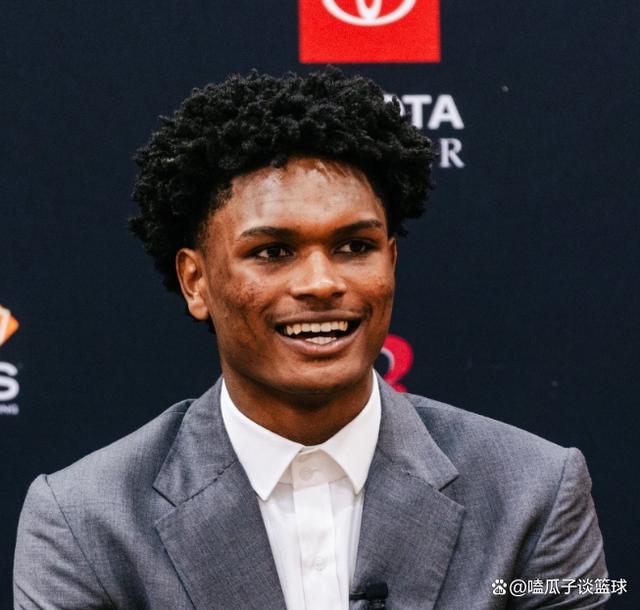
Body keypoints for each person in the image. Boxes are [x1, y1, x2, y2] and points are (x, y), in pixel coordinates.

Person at [14, 67, 608, 609]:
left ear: (391, 261)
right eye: (273, 252)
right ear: (196, 281)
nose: (322, 283)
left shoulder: (537, 494)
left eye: (354, 246)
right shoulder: (83, 522)